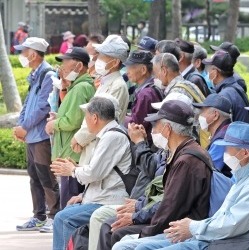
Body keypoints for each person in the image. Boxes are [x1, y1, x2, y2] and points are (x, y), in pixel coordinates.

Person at [121, 122, 249, 250]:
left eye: (228, 148)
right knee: (127, 244)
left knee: (135, 245)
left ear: (245, 153)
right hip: (209, 234)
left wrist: (193, 227)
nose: (225, 152)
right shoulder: (246, 174)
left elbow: (231, 225)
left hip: (222, 242)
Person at [111, 100, 212, 249]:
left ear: (167, 129)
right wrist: (140, 207)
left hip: (182, 229)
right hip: (171, 221)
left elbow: (170, 208)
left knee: (124, 242)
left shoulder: (186, 161)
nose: (153, 131)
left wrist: (142, 229)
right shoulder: (182, 152)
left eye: (156, 125)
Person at [51, 96, 132, 250]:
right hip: (101, 198)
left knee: (63, 219)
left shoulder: (112, 136)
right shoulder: (108, 135)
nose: (85, 121)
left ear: (94, 118)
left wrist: (73, 170)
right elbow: (99, 171)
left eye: (86, 117)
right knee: (67, 212)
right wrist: (81, 191)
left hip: (109, 201)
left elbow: (94, 173)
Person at [13, 37, 60, 232]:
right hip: (31, 136)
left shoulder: (47, 75)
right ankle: (38, 216)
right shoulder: (35, 74)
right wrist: (20, 125)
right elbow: (27, 105)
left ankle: (54, 216)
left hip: (40, 137)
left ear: (33, 54)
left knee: (46, 177)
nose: (21, 55)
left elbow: (43, 106)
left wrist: (25, 127)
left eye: (23, 51)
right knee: (34, 176)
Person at [45, 47, 95, 212]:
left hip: (72, 157)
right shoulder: (77, 86)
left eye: (67, 61)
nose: (63, 66)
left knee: (69, 208)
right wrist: (65, 87)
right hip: (70, 156)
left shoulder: (81, 88)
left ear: (79, 66)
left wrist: (54, 124)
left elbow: (73, 120)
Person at [71, 35, 130, 170]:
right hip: (94, 144)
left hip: (101, 146)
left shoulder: (118, 86)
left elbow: (100, 119)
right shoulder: (105, 82)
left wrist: (79, 138)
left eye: (103, 56)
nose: (97, 59)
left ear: (115, 62)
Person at [123, 50, 163, 142]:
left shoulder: (145, 94)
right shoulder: (153, 86)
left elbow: (136, 126)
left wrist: (121, 118)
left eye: (131, 68)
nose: (127, 72)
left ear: (143, 70)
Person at [203, 51, 249, 123]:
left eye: (210, 69)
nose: (208, 72)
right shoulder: (235, 87)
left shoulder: (224, 95)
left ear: (215, 72)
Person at [192, 93, 232, 177]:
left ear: (215, 115)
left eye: (203, 111)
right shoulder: (226, 131)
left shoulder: (221, 140)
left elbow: (206, 169)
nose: (200, 115)